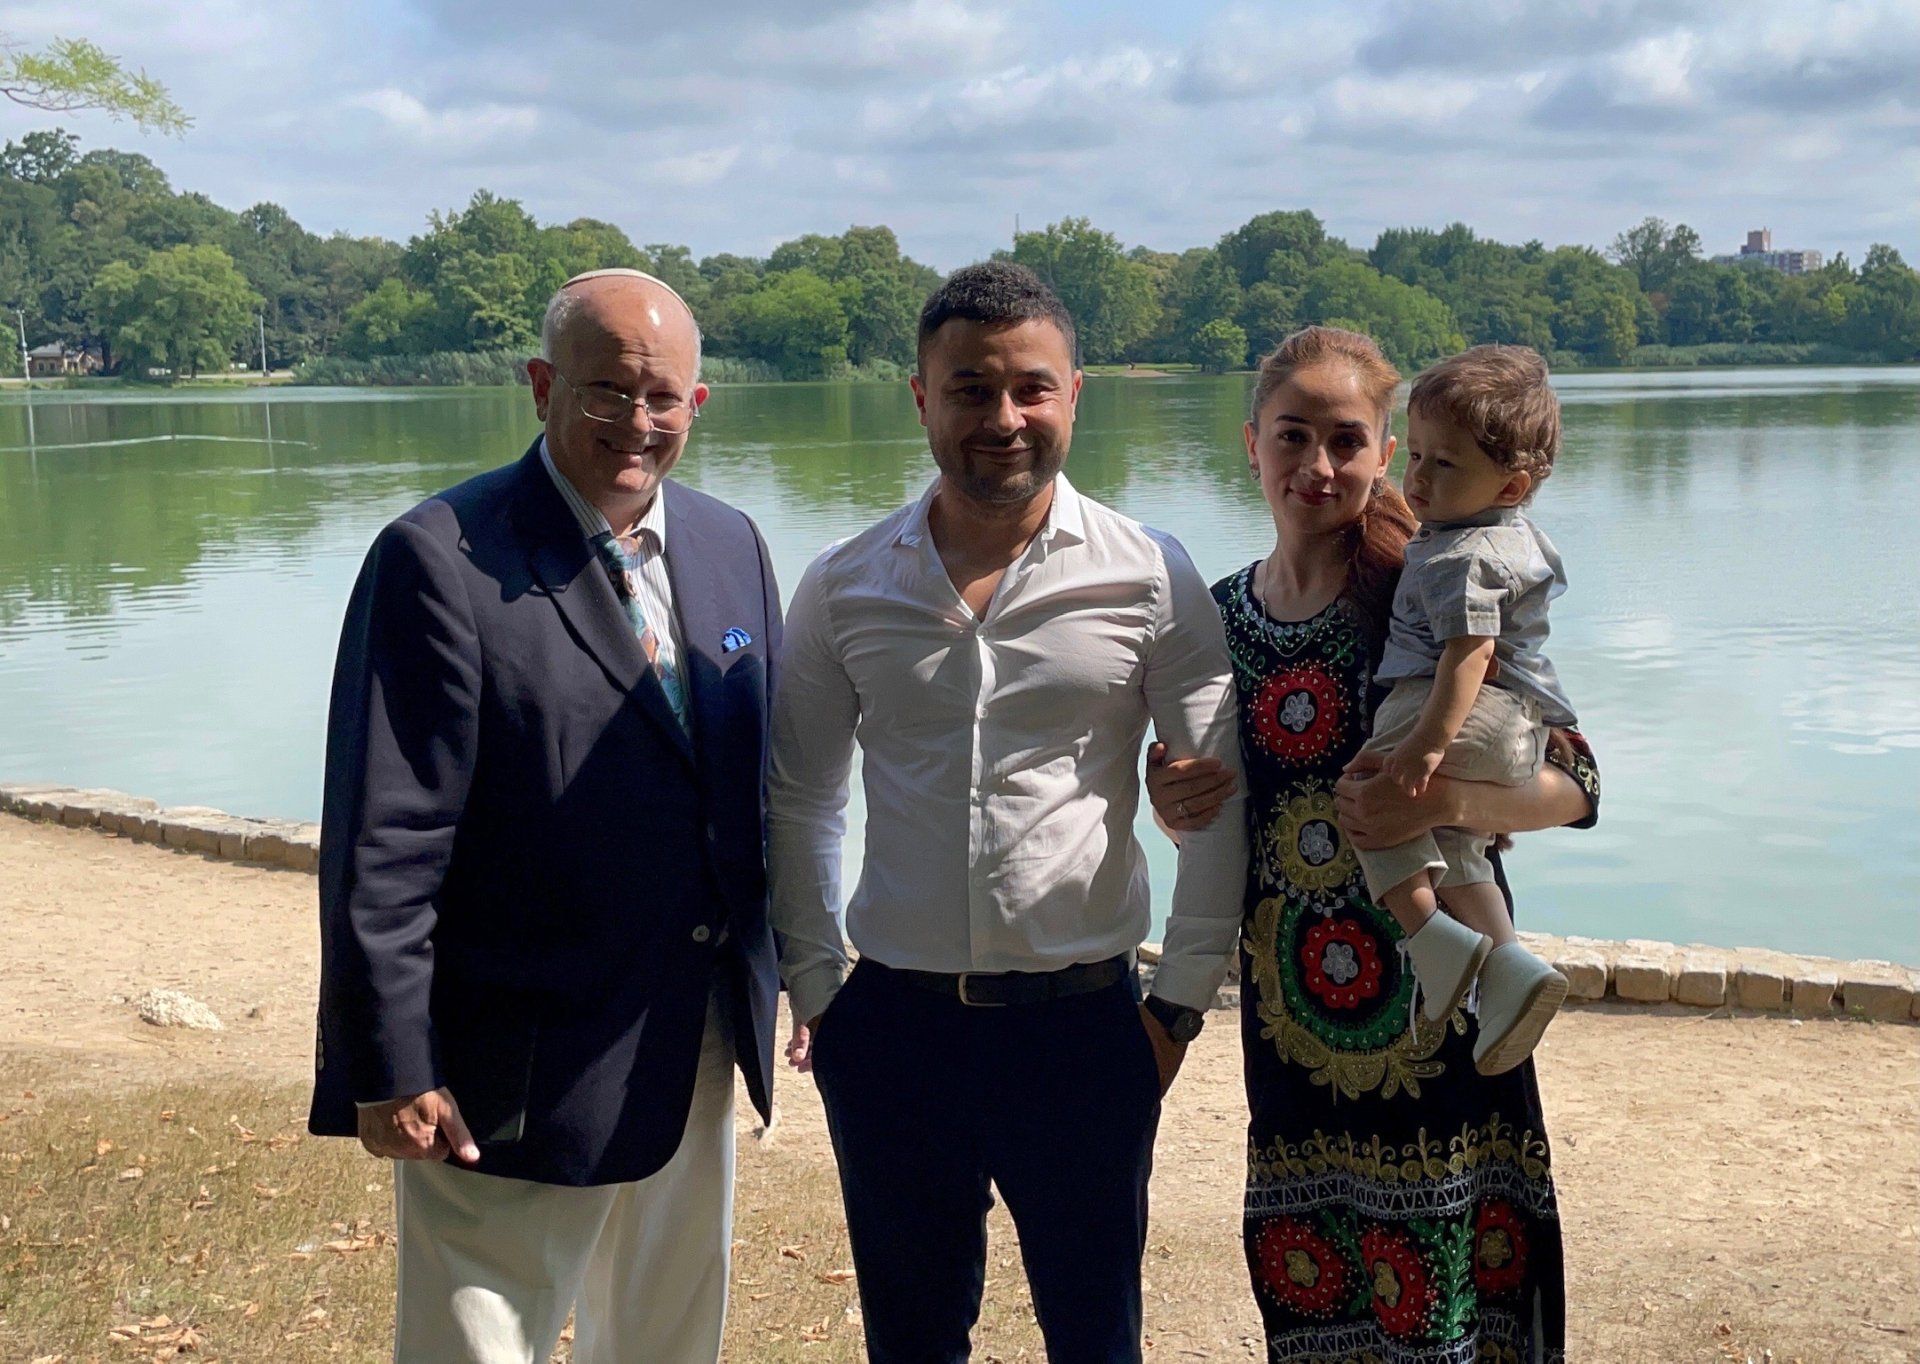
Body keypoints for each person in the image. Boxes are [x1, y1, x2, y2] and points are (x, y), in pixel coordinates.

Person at [767, 261, 1249, 1364]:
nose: (1003, 417)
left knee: (1095, 1334)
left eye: (1030, 387)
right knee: (914, 1338)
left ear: (1075, 393)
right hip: (893, 1028)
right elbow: (800, 797)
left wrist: (1174, 1005)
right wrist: (818, 990)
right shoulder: (844, 584)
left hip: (1083, 1027)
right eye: (970, 387)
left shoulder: (1151, 574)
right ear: (920, 396)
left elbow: (1215, 803)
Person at [308, 269, 783, 1364]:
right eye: (606, 389)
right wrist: (389, 1059)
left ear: (699, 403)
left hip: (692, 1040)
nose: (638, 421)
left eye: (663, 397)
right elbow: (384, 835)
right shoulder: (440, 557)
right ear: (540, 384)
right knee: (479, 1341)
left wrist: (792, 960)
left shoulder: (731, 545)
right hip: (507, 1063)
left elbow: (754, 783)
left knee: (666, 1337)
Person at [1147, 326, 1600, 1362]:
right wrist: (1169, 790)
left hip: (1438, 1022)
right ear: (1250, 441)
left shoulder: (1425, 586)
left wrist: (1446, 805)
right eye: (1293, 436)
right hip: (1293, 1030)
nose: (1318, 465)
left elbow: (1577, 782)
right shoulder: (1211, 620)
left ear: (1386, 451)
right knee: (1319, 1304)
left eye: (1346, 440)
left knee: (1441, 1314)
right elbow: (1219, 811)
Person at [1357, 345, 1577, 1075]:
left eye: (1442, 465)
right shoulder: (1492, 536)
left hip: (1461, 710)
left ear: (1512, 483)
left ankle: (1429, 937)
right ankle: (1507, 962)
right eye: (1415, 456)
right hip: (1512, 723)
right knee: (1454, 846)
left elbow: (1469, 655)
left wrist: (1421, 750)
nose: (1416, 479)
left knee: (1366, 797)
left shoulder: (1462, 556)